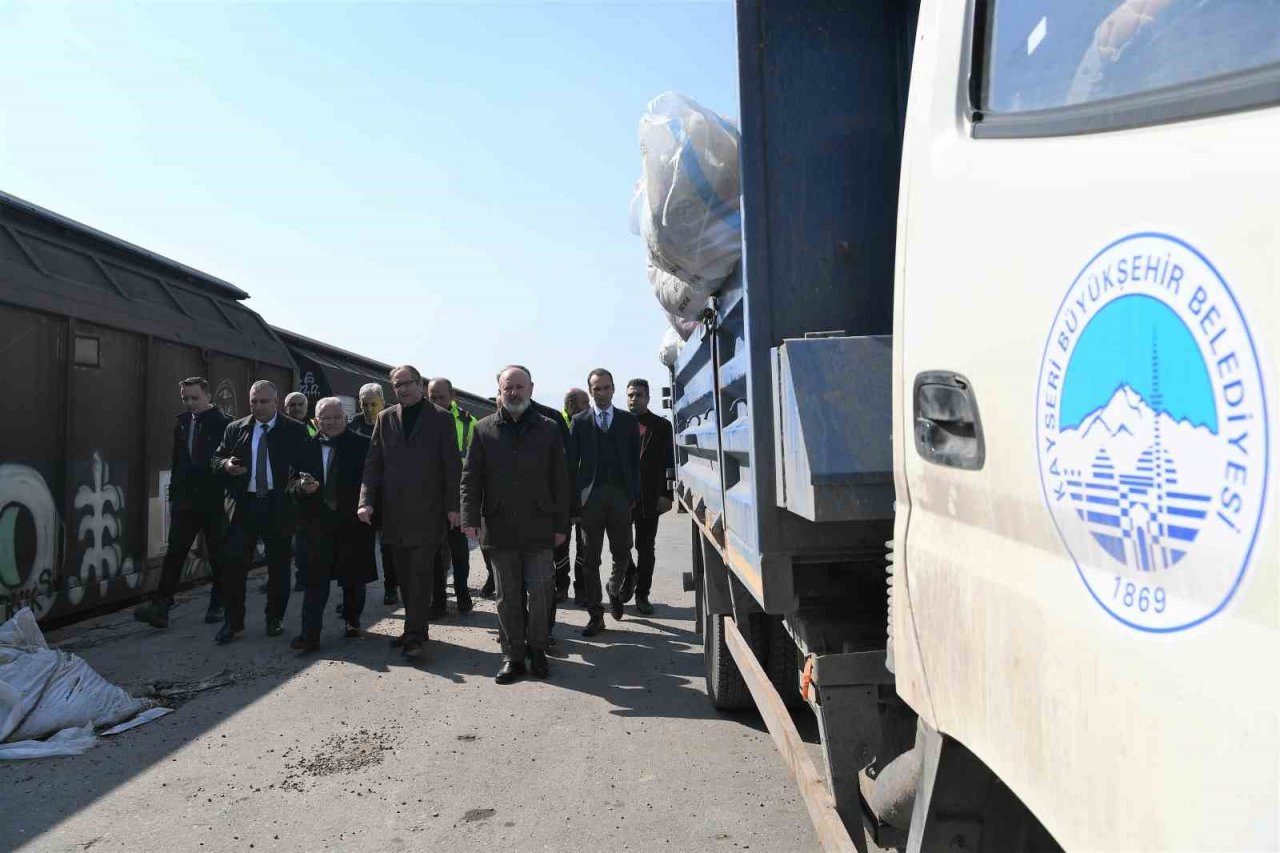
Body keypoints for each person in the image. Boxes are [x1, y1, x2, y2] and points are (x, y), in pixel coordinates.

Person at [462, 366, 568, 683]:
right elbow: (470, 479)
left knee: (540, 592)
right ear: (500, 389)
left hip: (540, 526)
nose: (515, 392)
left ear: (531, 389)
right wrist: (469, 519)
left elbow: (561, 481)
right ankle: (513, 656)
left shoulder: (549, 428)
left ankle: (537, 649)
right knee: (507, 596)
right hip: (499, 527)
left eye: (520, 387)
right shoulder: (483, 430)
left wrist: (561, 524)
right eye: (508, 387)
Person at [358, 365, 461, 660]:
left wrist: (454, 507)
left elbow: (451, 465)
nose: (401, 389)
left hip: (428, 512)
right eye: (396, 385)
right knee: (403, 574)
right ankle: (415, 628)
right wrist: (366, 500)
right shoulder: (385, 418)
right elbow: (373, 463)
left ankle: (414, 636)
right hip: (394, 512)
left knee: (420, 573)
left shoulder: (441, 419)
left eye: (406, 383)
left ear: (419, 384)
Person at [210, 380, 310, 644]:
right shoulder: (236, 429)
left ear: (276, 402)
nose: (258, 406)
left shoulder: (295, 430)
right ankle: (234, 623)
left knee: (278, 566)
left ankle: (274, 618)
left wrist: (301, 487)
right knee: (233, 565)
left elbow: (305, 467)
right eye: (253, 401)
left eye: (264, 401)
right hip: (245, 506)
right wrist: (226, 465)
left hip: (279, 505)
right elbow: (216, 459)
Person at [133, 377, 231, 629]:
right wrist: (175, 493)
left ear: (207, 396)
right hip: (185, 501)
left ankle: (218, 604)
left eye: (194, 397)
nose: (189, 403)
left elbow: (225, 462)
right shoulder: (183, 423)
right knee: (175, 553)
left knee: (218, 554)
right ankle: (161, 607)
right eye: (185, 398)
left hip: (211, 499)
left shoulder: (223, 424)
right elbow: (178, 461)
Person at [287, 397, 376, 652]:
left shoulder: (363, 445)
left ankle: (352, 619)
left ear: (346, 418)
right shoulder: (305, 446)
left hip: (352, 525)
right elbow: (290, 483)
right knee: (315, 583)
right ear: (317, 421)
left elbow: (374, 482)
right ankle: (309, 636)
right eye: (326, 418)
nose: (332, 422)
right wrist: (302, 488)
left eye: (337, 417)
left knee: (353, 579)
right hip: (316, 527)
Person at [568, 368, 641, 636]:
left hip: (621, 498)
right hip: (590, 502)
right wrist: (573, 505)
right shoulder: (579, 421)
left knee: (623, 553)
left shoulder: (627, 421)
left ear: (613, 389)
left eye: (606, 387)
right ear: (590, 391)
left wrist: (634, 495)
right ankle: (595, 615)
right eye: (596, 388)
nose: (601, 392)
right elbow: (570, 465)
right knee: (590, 560)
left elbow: (635, 462)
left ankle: (614, 587)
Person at [619, 379, 675, 615]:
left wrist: (667, 494)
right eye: (630, 395)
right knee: (619, 545)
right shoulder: (618, 423)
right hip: (621, 497)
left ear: (648, 398)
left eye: (639, 395)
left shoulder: (661, 426)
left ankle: (642, 595)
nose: (634, 399)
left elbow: (669, 462)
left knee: (645, 547)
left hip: (650, 496)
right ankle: (629, 572)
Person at [427, 377, 477, 616]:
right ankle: (438, 600)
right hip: (431, 497)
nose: (437, 402)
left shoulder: (469, 423)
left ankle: (462, 594)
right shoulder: (423, 420)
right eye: (432, 398)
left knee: (459, 550)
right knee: (435, 551)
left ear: (453, 396)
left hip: (459, 495)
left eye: (441, 397)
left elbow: (477, 463)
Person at [349, 382, 398, 606]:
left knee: (388, 547)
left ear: (383, 402)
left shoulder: (393, 424)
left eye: (373, 404)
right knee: (359, 547)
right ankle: (356, 595)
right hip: (361, 495)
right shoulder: (354, 425)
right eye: (364, 404)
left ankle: (390, 588)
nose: (368, 408)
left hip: (387, 495)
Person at [561, 387, 591, 605]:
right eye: (585, 403)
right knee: (559, 546)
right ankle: (560, 587)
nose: (589, 407)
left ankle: (581, 589)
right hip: (560, 497)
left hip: (584, 497)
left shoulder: (590, 423)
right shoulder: (553, 424)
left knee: (585, 547)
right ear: (571, 405)